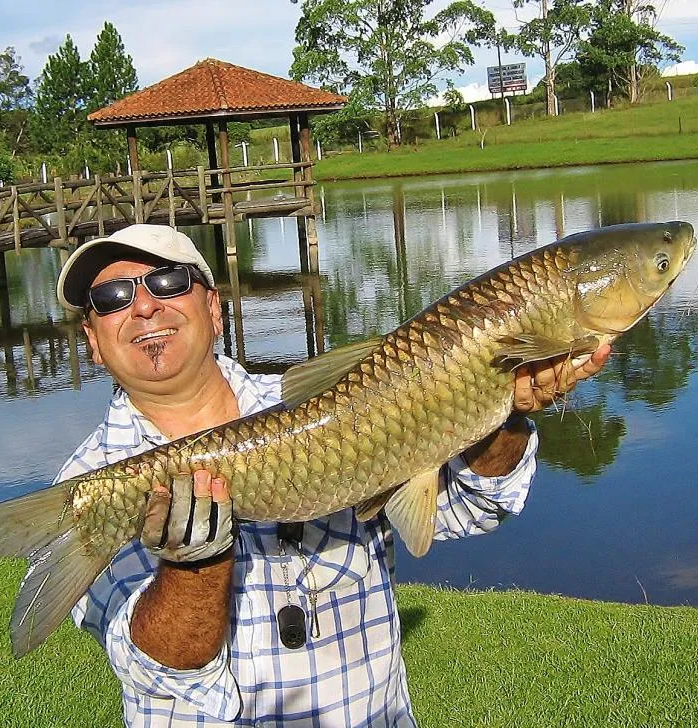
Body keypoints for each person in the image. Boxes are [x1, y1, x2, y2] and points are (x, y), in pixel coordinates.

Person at [54, 223, 610, 727]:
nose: (146, 307)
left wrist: (498, 410)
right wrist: (194, 566)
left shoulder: (333, 404)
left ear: (216, 309)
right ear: (93, 342)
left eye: (169, 281)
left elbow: (470, 508)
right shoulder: (86, 487)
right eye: (112, 297)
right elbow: (158, 676)